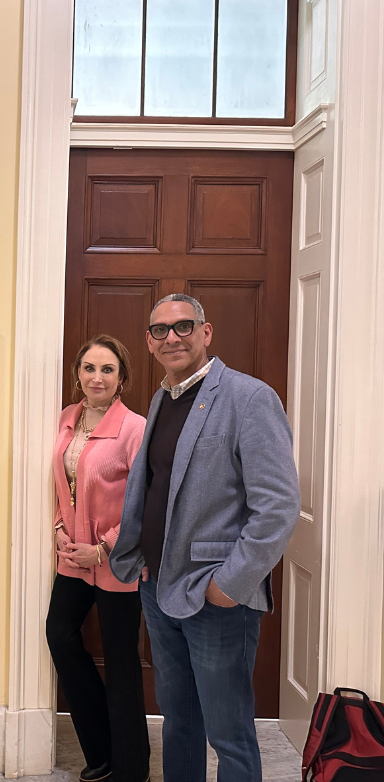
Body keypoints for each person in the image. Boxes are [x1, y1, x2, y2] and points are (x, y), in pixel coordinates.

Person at [110, 294, 300, 782]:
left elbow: (277, 506)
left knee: (229, 733)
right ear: (149, 344)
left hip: (216, 597)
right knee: (179, 722)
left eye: (183, 326)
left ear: (206, 332)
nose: (171, 337)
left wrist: (230, 585)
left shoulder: (249, 398)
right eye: (160, 331)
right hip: (157, 586)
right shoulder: (161, 398)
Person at [45, 335, 151, 782]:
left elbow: (144, 502)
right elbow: (62, 483)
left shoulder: (135, 428)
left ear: (122, 377)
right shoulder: (68, 419)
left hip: (117, 561)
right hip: (73, 557)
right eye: (89, 368)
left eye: (107, 370)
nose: (97, 377)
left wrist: (104, 546)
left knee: (122, 660)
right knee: (60, 636)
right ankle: (100, 750)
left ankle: (131, 768)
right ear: (77, 374)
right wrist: (57, 528)